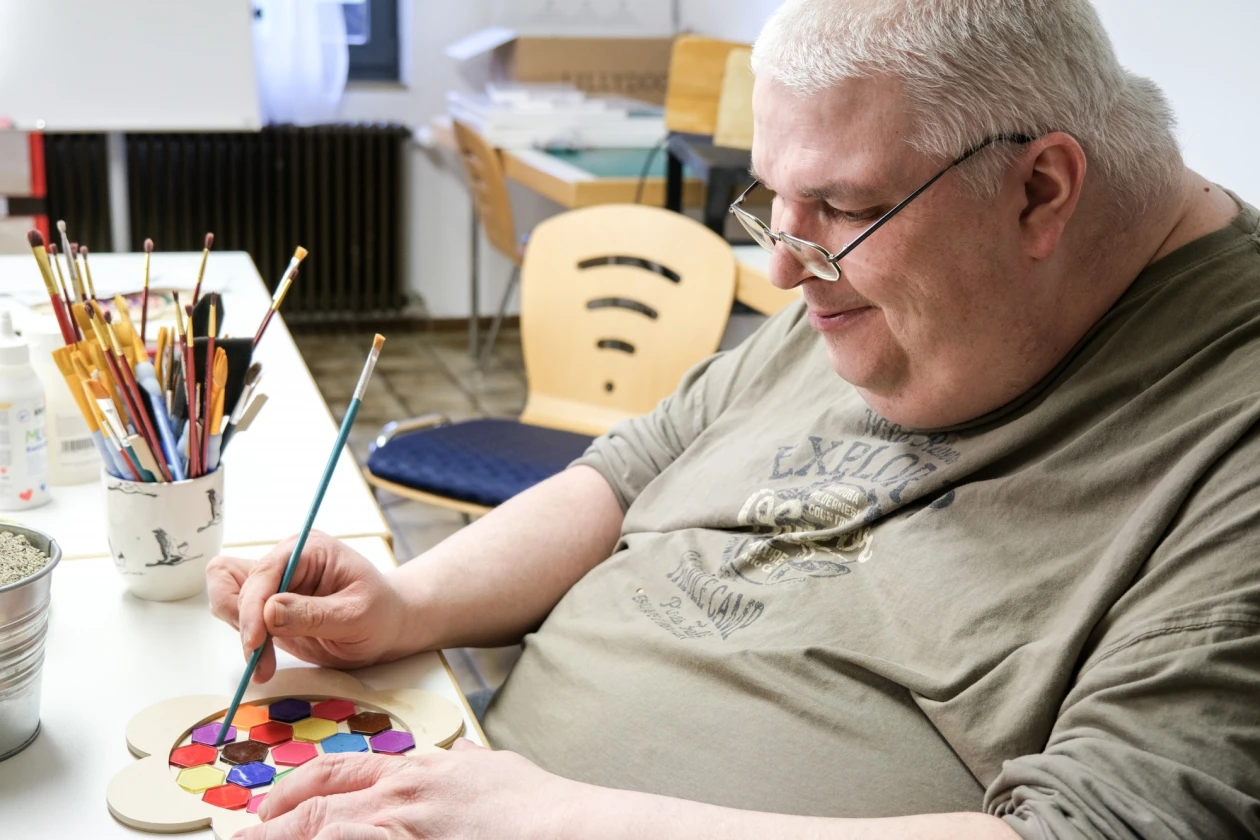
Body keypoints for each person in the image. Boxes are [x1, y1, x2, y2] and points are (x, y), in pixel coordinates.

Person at [210, 1, 1260, 837]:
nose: (782, 268)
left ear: (1040, 189)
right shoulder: (878, 278)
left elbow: (1109, 822)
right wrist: (406, 604)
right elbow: (627, 470)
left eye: (841, 208)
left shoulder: (1226, 427)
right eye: (775, 203)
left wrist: (557, 821)